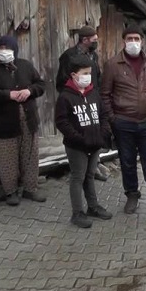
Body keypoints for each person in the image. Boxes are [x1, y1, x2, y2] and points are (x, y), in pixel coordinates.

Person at [101, 25, 146, 215]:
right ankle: (132, 195)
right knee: (127, 162)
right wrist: (113, 119)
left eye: (136, 39)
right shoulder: (112, 65)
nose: (133, 42)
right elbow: (105, 94)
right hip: (124, 122)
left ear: (142, 41)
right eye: (129, 39)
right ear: (123, 41)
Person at [0, 36, 47, 206]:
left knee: (30, 156)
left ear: (15, 49)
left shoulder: (25, 65)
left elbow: (41, 84)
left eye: (7, 48)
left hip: (28, 121)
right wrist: (7, 95)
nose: (3, 51)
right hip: (4, 123)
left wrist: (30, 91)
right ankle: (11, 192)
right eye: (0, 48)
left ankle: (30, 189)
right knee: (7, 158)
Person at [55, 55, 112, 228]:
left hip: (95, 144)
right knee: (78, 177)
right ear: (74, 75)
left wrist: (102, 134)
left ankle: (93, 207)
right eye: (84, 73)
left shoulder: (94, 93)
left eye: (90, 73)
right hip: (76, 147)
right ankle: (77, 213)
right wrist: (79, 139)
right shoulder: (65, 97)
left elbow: (103, 115)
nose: (88, 77)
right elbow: (62, 122)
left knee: (90, 175)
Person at [56, 25, 101, 93]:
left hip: (92, 95)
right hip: (75, 95)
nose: (96, 42)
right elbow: (62, 81)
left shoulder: (94, 56)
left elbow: (97, 77)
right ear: (85, 40)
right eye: (94, 40)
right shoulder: (69, 56)